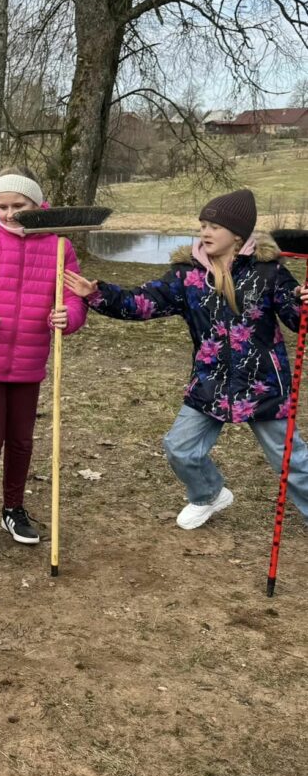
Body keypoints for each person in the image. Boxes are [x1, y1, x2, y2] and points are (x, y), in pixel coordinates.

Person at [64, 187, 308, 529]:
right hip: (211, 382)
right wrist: (99, 294)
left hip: (263, 386)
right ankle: (209, 493)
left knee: (292, 460)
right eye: (202, 224)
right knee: (179, 448)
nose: (205, 232)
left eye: (214, 226)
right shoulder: (187, 276)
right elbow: (143, 302)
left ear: (237, 235)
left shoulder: (269, 273)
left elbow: (297, 319)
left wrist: (303, 301)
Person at [0, 167, 87, 553]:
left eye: (17, 205)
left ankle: (13, 508)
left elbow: (74, 299)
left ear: (38, 204)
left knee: (21, 441)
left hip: (28, 360)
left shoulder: (59, 246)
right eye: (2, 205)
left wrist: (68, 317)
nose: (8, 213)